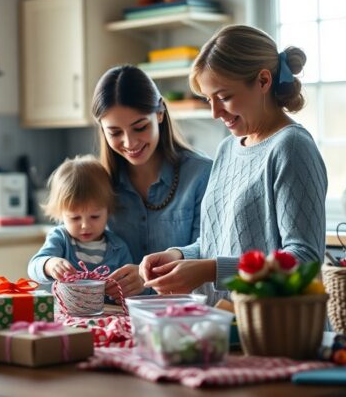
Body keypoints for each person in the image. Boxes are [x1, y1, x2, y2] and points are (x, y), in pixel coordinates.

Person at [139, 24, 328, 304]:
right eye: (208, 99)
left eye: (224, 97)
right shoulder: (227, 149)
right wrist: (178, 256)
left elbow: (303, 261)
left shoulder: (291, 147)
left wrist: (210, 270)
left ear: (263, 81)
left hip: (277, 329)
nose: (215, 112)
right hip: (222, 325)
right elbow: (216, 243)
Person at [91, 65, 213, 297]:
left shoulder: (201, 173)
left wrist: (146, 276)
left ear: (159, 113)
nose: (130, 142)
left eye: (140, 127)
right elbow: (64, 240)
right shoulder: (99, 181)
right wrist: (49, 264)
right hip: (113, 314)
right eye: (115, 132)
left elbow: (209, 248)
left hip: (180, 315)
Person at [27, 155, 133, 298]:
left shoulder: (118, 248)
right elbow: (34, 267)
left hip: (107, 314)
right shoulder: (60, 238)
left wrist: (124, 288)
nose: (85, 225)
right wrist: (49, 264)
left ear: (108, 211)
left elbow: (130, 287)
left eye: (95, 217)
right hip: (65, 315)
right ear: (61, 214)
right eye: (75, 218)